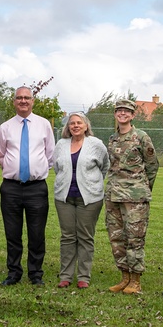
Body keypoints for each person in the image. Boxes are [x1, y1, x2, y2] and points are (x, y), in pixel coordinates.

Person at [0, 87, 56, 285]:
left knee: (36, 233)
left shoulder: (44, 125)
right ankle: (13, 273)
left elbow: (50, 154)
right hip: (11, 187)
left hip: (36, 188)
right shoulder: (5, 127)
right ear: (14, 102)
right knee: (12, 233)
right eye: (19, 98)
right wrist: (15, 169)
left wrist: (33, 169)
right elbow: (1, 155)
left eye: (27, 98)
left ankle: (35, 274)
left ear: (33, 101)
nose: (23, 101)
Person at [105, 99, 159, 294]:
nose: (122, 114)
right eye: (119, 111)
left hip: (135, 198)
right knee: (117, 238)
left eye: (126, 111)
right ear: (115, 114)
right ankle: (124, 277)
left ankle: (135, 280)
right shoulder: (112, 139)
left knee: (135, 238)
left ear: (133, 115)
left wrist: (142, 189)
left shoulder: (141, 137)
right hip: (113, 196)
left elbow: (152, 166)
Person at [52, 112, 108, 289]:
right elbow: (57, 167)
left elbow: (105, 166)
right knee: (67, 237)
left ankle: (84, 276)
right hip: (64, 198)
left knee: (85, 236)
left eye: (79, 123)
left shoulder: (96, 144)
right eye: (72, 123)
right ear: (68, 127)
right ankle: (66, 276)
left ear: (86, 126)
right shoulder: (61, 145)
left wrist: (92, 184)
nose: (75, 126)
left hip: (90, 199)